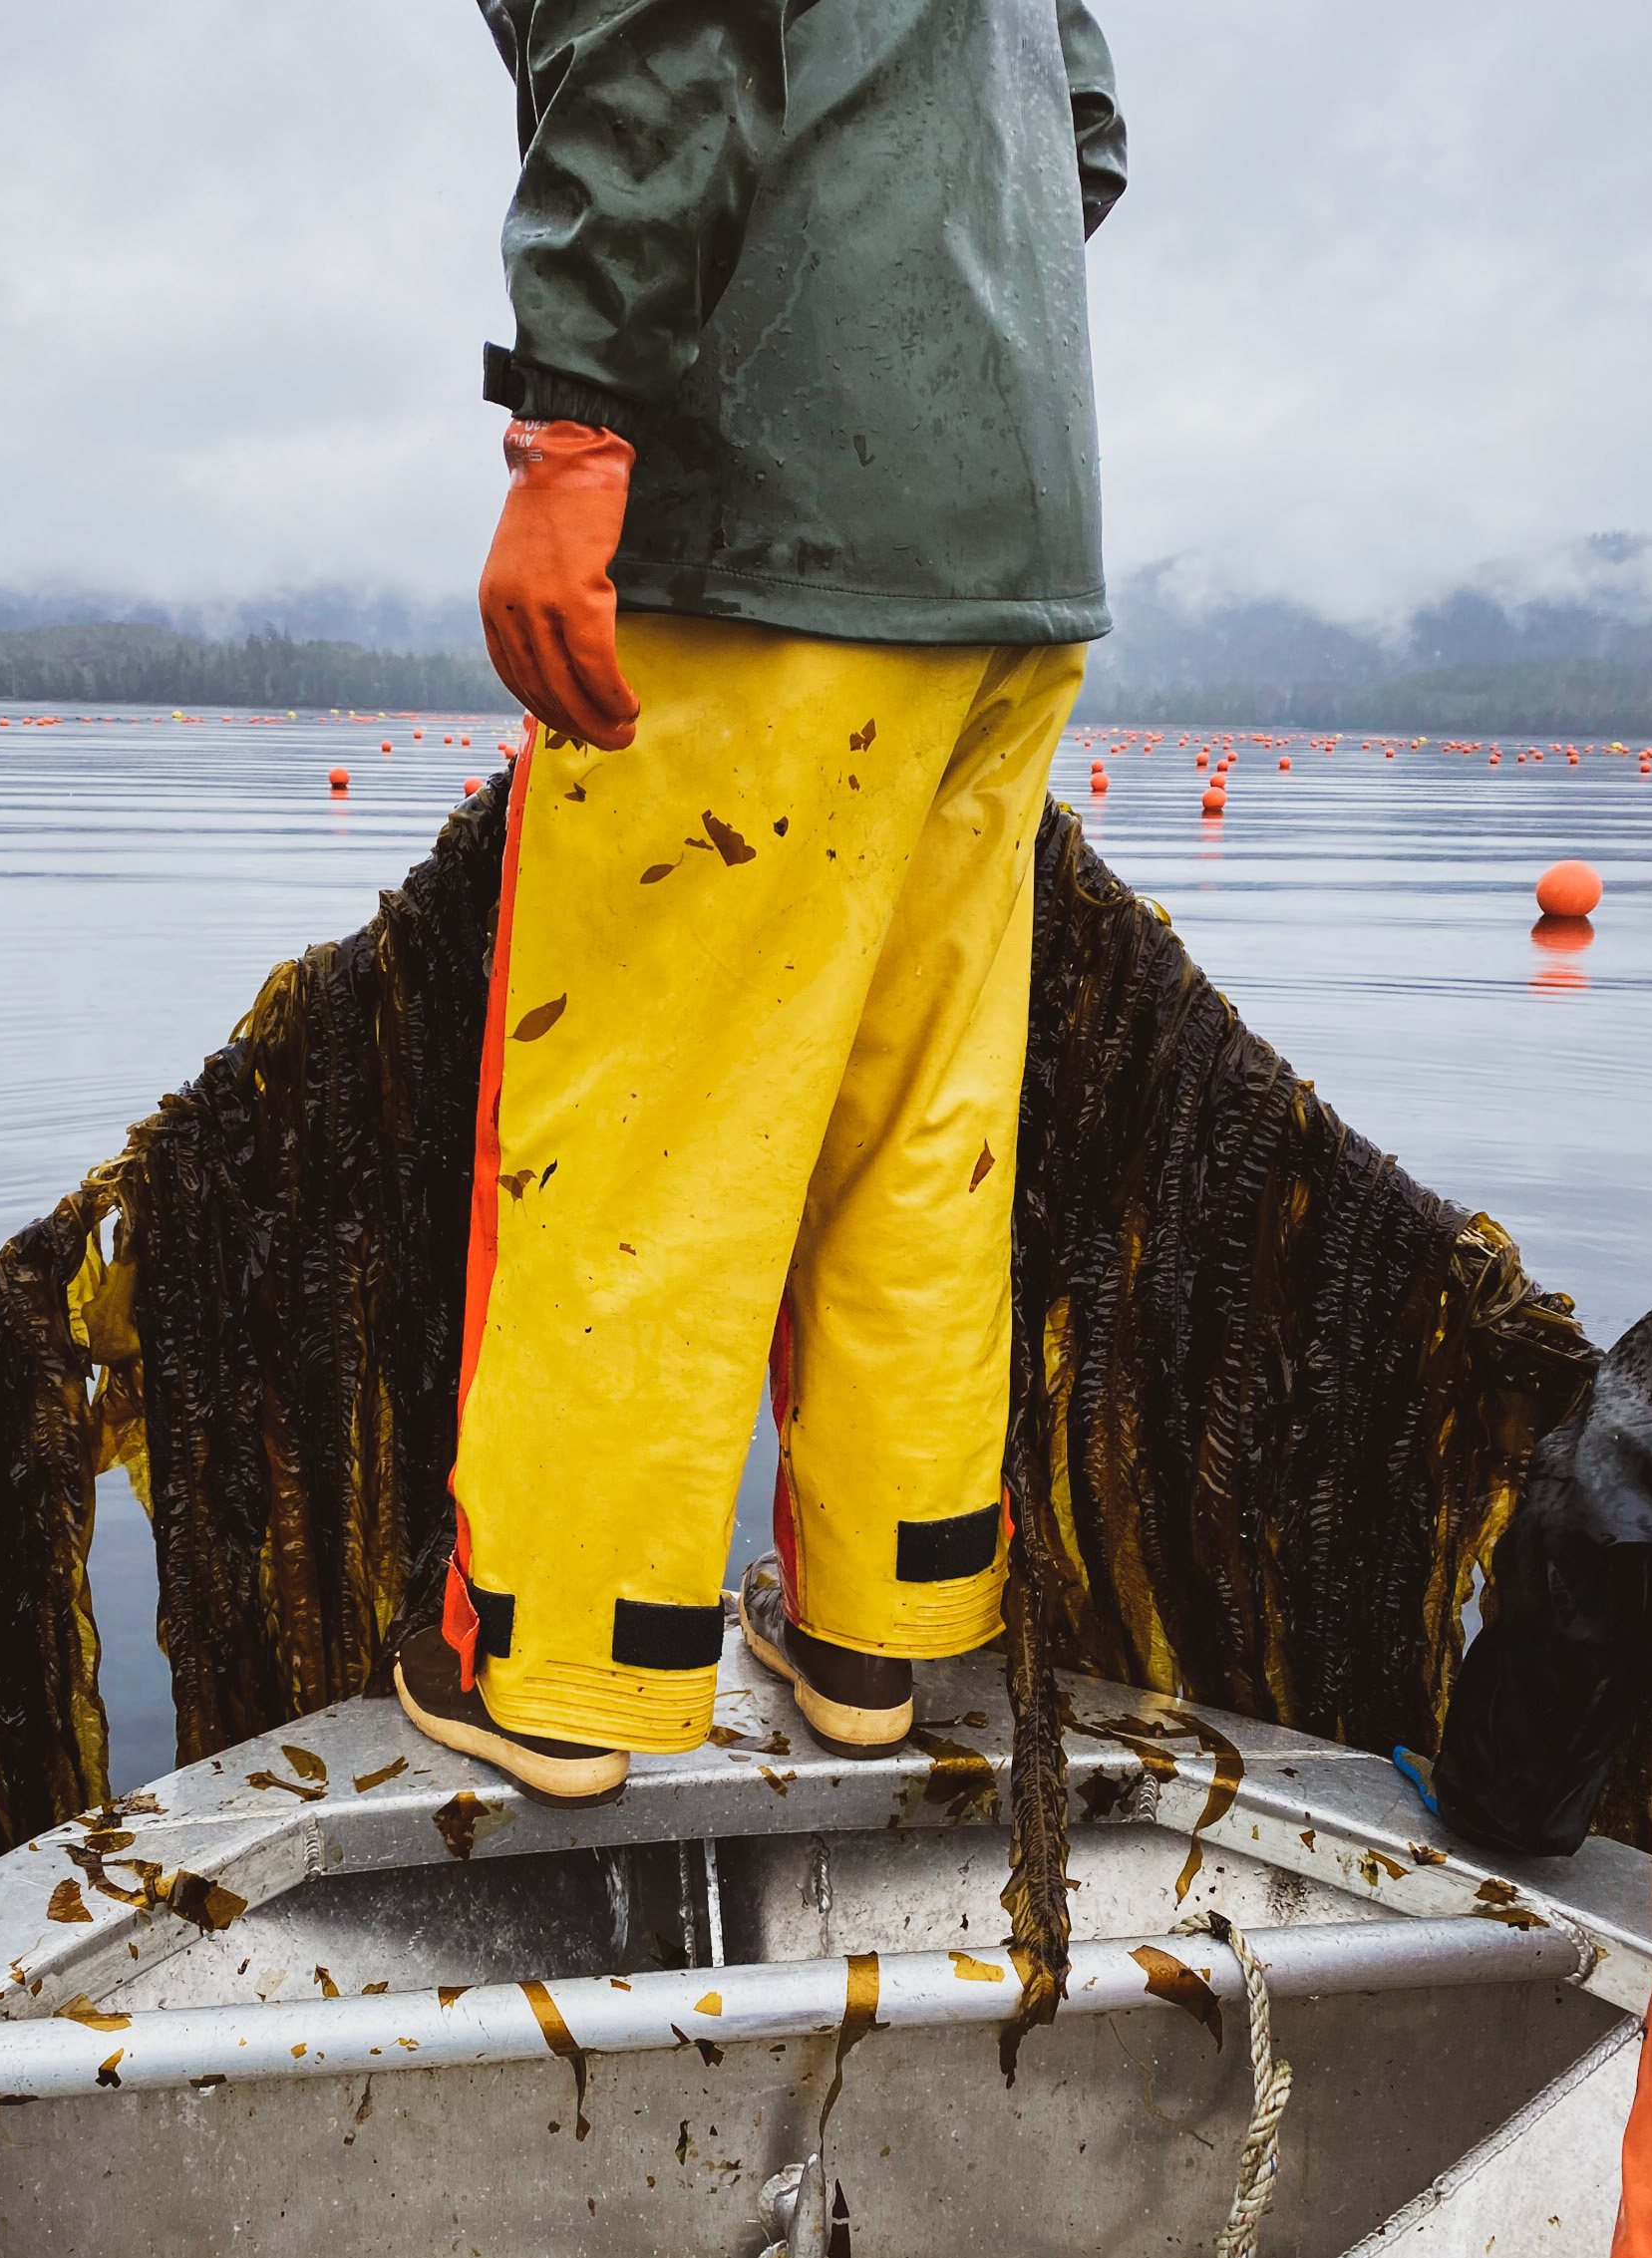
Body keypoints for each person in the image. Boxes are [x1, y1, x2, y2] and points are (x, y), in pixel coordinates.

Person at [395, 0, 1127, 1804]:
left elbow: (648, 43)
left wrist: (574, 434)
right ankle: (878, 1627)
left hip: (765, 549)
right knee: (917, 1116)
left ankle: (559, 1666)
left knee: (643, 1107)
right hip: (1015, 553)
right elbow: (1084, 134)